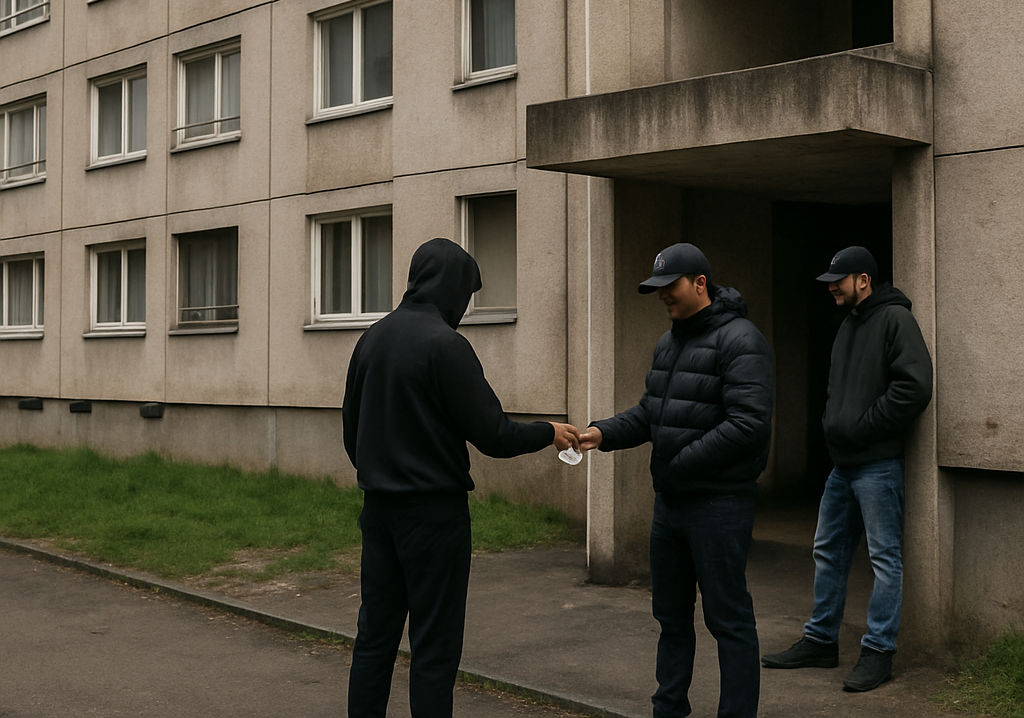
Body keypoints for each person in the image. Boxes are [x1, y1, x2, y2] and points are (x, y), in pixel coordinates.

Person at [342, 237, 580, 718]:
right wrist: (548, 432)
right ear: (452, 288)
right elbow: (493, 434)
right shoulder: (446, 346)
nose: (465, 308)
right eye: (466, 296)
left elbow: (352, 428)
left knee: (375, 637)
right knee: (434, 645)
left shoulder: (372, 338)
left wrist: (380, 472)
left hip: (379, 511)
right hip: (434, 517)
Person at [579, 242, 773, 718]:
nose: (662, 295)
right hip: (671, 507)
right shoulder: (670, 342)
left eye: (670, 286)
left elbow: (749, 425)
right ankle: (669, 708)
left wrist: (680, 464)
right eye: (656, 289)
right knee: (670, 616)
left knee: (728, 619)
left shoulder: (741, 340)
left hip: (720, 505)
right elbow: (651, 414)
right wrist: (600, 432)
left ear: (700, 283)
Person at [761, 245, 933, 692]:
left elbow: (914, 388)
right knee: (828, 551)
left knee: (884, 559)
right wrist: (834, 428)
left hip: (877, 465)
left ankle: (879, 652)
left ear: (864, 279)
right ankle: (820, 641)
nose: (831, 287)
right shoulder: (847, 326)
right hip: (843, 465)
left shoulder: (896, 320)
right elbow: (837, 392)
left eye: (838, 280)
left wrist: (863, 427)